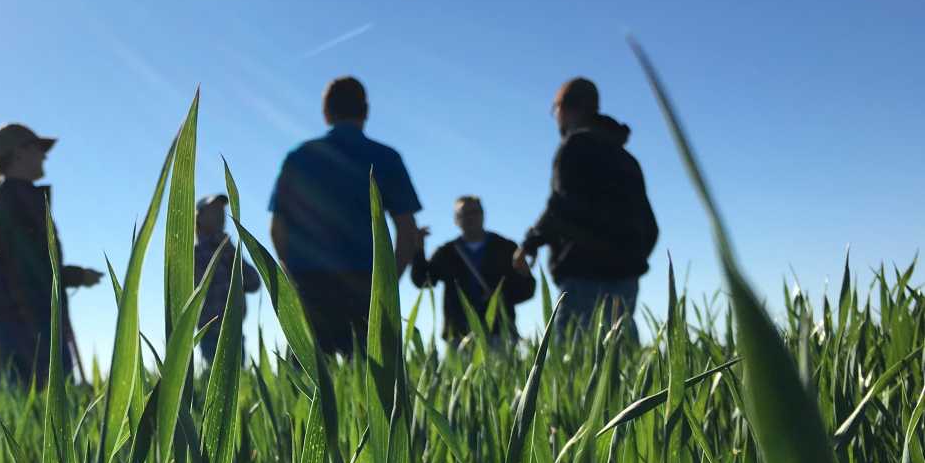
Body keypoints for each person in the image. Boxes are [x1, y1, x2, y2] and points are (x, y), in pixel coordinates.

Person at [269, 76, 424, 356]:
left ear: (326, 112)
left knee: (310, 383)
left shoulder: (300, 157)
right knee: (373, 383)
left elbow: (277, 226)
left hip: (311, 282)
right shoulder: (386, 157)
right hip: (367, 281)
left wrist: (292, 276)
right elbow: (407, 230)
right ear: (366, 111)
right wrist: (389, 283)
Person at [513, 78, 659, 333]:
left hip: (582, 275)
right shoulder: (626, 159)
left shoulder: (573, 147)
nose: (555, 116)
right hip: (625, 276)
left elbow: (560, 206)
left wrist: (530, 242)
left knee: (573, 363)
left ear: (569, 109)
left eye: (555, 108)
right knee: (621, 359)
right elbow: (650, 226)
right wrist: (631, 259)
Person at [0, 122, 102, 383]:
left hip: (21, 321)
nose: (44, 155)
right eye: (38, 148)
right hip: (30, 324)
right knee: (49, 406)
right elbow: (30, 269)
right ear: (18, 153)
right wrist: (77, 276)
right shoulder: (16, 203)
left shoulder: (6, 201)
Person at [410, 195, 535, 343]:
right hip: (460, 335)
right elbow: (423, 280)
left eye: (474, 212)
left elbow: (525, 291)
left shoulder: (505, 247)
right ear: (456, 220)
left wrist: (524, 275)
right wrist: (418, 249)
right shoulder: (447, 252)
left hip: (498, 332)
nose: (470, 218)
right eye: (464, 214)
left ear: (483, 215)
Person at [193, 193, 260, 363]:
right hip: (210, 334)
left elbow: (254, 283)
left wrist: (230, 252)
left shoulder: (229, 250)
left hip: (235, 331)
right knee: (214, 384)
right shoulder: (193, 254)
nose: (220, 214)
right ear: (199, 218)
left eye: (221, 210)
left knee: (239, 383)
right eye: (213, 210)